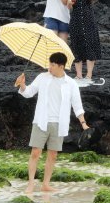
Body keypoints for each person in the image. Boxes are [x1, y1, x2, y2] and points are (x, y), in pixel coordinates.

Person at [14, 52, 89, 193]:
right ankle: (30, 184)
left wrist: (83, 123)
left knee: (53, 155)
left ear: (61, 66)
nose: (50, 67)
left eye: (53, 65)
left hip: (59, 124)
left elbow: (77, 106)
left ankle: (45, 184)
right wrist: (22, 85)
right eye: (50, 64)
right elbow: (29, 92)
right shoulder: (42, 77)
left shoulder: (71, 83)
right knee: (35, 152)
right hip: (41, 120)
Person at [68, 0, 102, 83]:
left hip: (88, 20)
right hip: (75, 20)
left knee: (89, 46)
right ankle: (78, 75)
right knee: (76, 46)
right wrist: (67, 1)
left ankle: (88, 75)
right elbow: (68, 5)